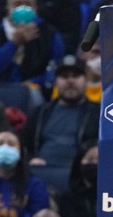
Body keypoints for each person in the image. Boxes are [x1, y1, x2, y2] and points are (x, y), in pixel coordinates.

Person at [24, 54, 100, 195]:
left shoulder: (98, 113)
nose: (70, 81)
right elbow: (25, 144)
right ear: (56, 81)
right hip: (41, 172)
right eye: (64, 76)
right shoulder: (40, 112)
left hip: (79, 176)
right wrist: (30, 159)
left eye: (76, 76)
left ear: (86, 79)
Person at [0, 0, 64, 89]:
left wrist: (32, 83)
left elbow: (57, 71)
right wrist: (13, 44)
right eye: (17, 4)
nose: (23, 9)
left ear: (36, 9)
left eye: (28, 4)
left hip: (37, 91)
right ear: (7, 8)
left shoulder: (49, 34)